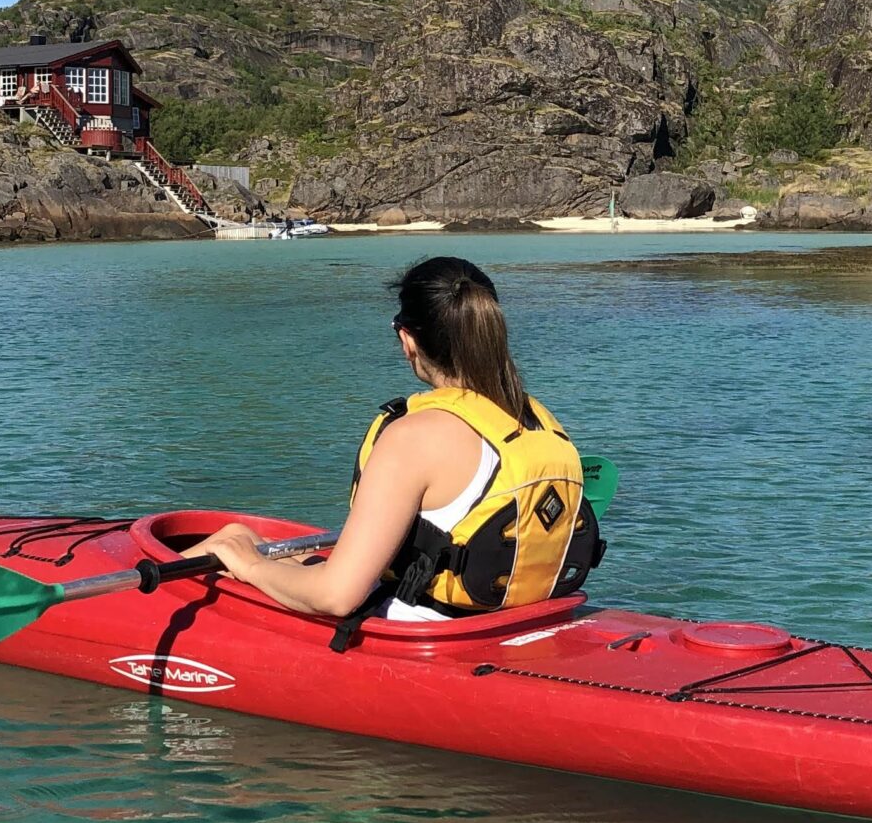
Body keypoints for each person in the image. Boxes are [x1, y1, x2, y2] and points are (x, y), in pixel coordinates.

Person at [198, 255, 602, 636]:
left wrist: (249, 567)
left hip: (425, 631)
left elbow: (336, 596)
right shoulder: (536, 421)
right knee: (239, 534)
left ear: (407, 340)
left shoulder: (413, 435)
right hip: (514, 621)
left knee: (228, 549)